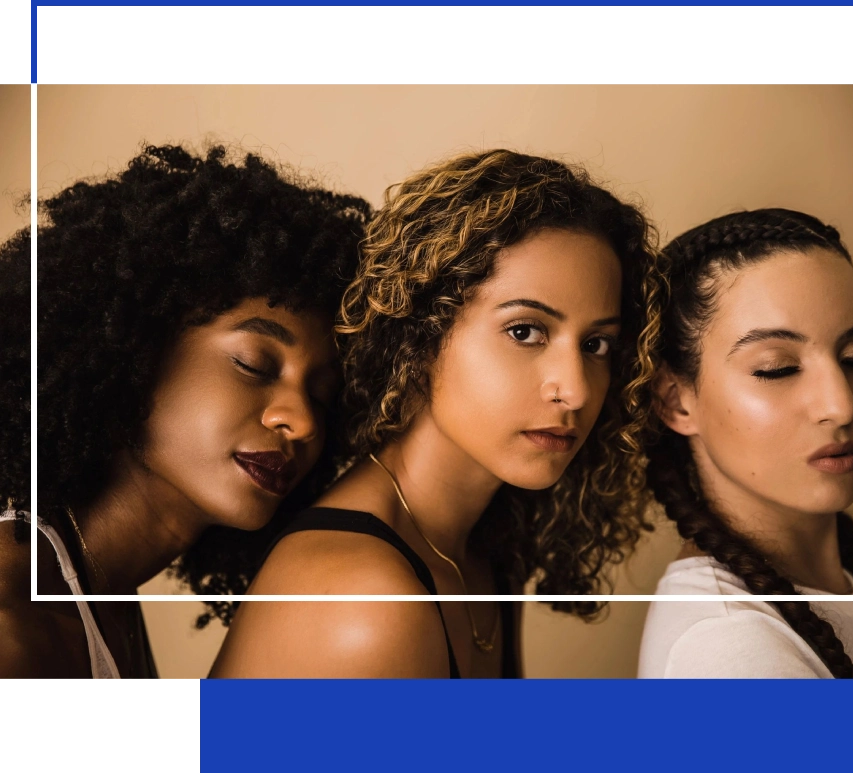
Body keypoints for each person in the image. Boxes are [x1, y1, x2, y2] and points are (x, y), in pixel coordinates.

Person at [212, 149, 663, 679]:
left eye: (596, 344)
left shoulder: (481, 550)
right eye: (525, 331)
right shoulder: (366, 599)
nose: (577, 390)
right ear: (421, 334)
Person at [0, 144, 371, 679]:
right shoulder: (17, 626)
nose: (304, 421)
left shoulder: (102, 593)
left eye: (323, 395)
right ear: (134, 347)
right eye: (254, 364)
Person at [637, 208, 853, 679]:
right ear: (676, 402)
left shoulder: (847, 586)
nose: (842, 406)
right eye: (777, 368)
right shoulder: (729, 649)